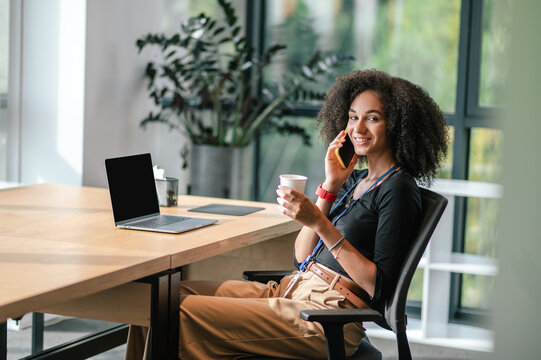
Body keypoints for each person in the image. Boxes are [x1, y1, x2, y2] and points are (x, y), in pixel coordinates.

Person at [125, 69, 449, 359]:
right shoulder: (353, 180)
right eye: (352, 117)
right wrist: (330, 187)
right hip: (292, 288)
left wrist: (320, 223)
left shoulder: (399, 188)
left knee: (180, 314)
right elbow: (301, 256)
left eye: (372, 118)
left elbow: (377, 285)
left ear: (397, 124)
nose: (358, 127)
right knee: (156, 302)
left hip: (325, 314)